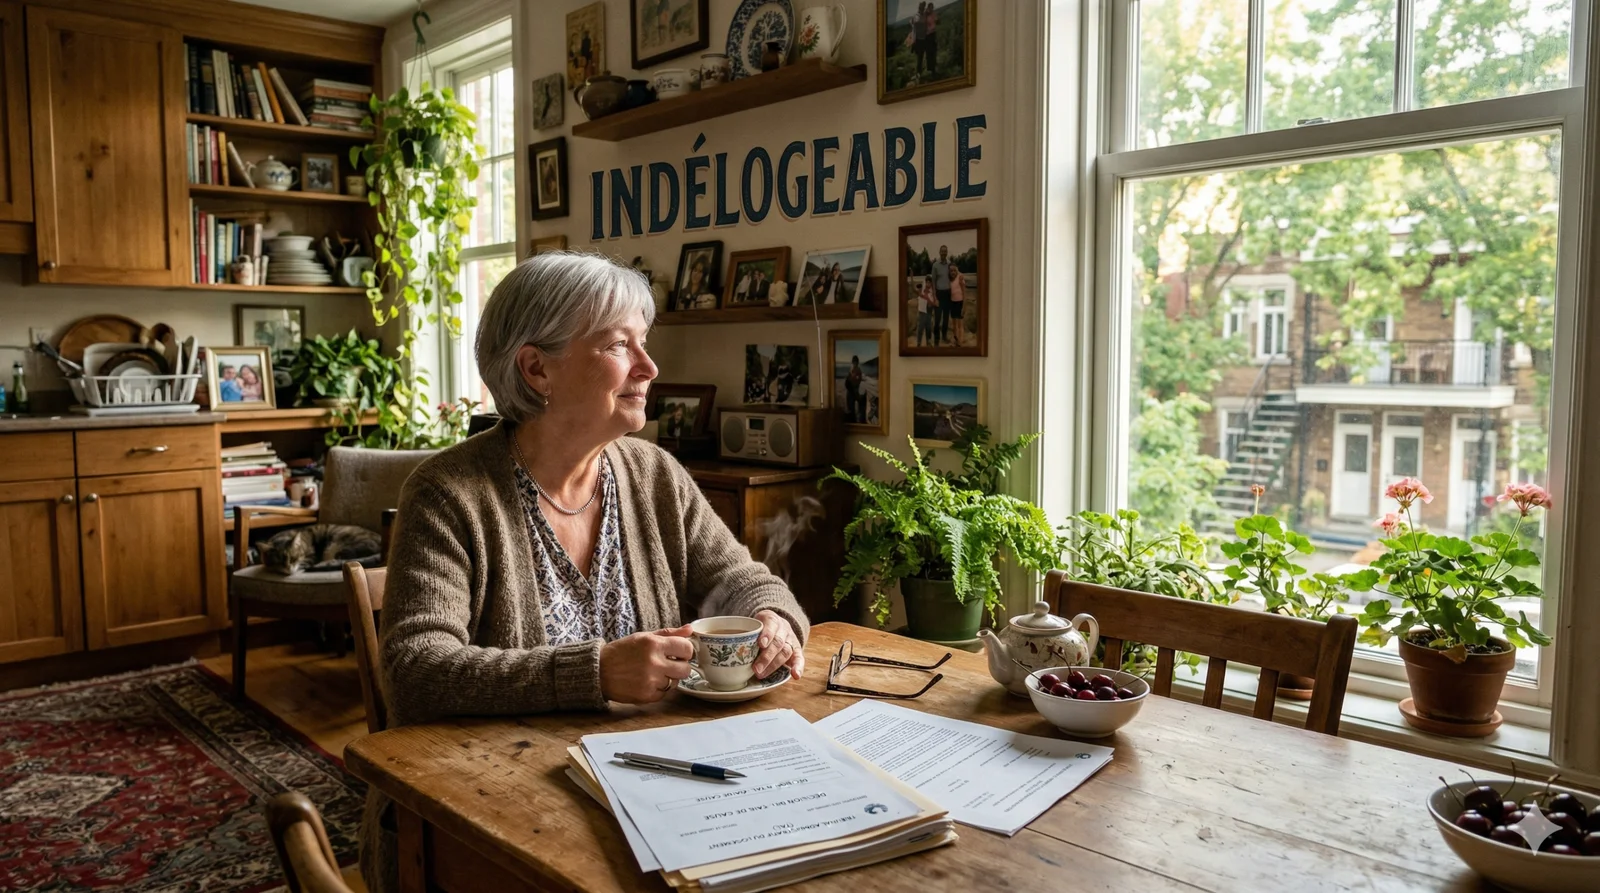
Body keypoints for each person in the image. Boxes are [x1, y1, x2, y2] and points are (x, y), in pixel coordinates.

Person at [363, 253, 809, 893]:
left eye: (643, 344)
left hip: (646, 791)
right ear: (537, 367)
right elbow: (415, 672)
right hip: (485, 815)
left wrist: (775, 620)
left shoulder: (652, 473)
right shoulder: (448, 493)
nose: (649, 368)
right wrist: (594, 671)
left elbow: (744, 579)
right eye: (619, 345)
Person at [930, 245, 954, 345]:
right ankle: (936, 338)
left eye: (945, 251)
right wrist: (935, 297)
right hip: (939, 294)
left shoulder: (950, 264)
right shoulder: (935, 265)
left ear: (947, 252)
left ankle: (944, 336)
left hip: (948, 294)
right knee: (937, 318)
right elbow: (933, 281)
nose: (944, 253)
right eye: (942, 251)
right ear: (939, 252)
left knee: (946, 318)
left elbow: (954, 275)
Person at [949, 263, 968, 347]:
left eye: (954, 270)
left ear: (957, 271)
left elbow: (964, 293)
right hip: (952, 303)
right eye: (951, 271)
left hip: (960, 302)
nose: (953, 272)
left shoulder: (960, 278)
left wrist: (964, 306)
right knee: (954, 324)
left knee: (960, 324)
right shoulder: (949, 280)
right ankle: (956, 339)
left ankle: (960, 340)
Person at [915, 275, 935, 347]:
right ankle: (919, 342)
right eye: (927, 282)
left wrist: (928, 299)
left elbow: (932, 303)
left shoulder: (932, 293)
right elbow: (916, 291)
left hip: (929, 312)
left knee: (928, 328)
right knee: (920, 328)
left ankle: (928, 341)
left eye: (930, 283)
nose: (928, 284)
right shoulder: (921, 291)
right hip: (922, 312)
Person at [844, 355, 865, 423]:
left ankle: (856, 419)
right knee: (850, 408)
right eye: (854, 362)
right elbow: (848, 381)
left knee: (855, 407)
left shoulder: (857, 370)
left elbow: (858, 381)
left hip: (854, 391)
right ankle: (853, 419)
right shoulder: (851, 370)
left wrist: (853, 379)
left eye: (856, 362)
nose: (854, 364)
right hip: (851, 391)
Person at [922, 1, 939, 77]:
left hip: (933, 34)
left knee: (934, 50)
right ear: (928, 8)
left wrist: (937, 20)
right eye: (930, 7)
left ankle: (933, 67)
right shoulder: (925, 15)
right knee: (929, 52)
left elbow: (937, 21)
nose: (931, 9)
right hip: (927, 36)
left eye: (932, 7)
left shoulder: (933, 14)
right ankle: (930, 69)